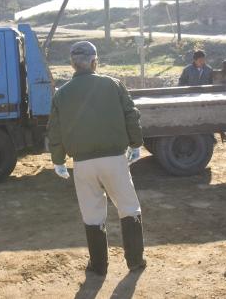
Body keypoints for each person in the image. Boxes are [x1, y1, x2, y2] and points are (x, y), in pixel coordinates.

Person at [47, 41, 146, 276]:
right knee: (129, 208)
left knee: (92, 213)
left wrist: (58, 160)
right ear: (94, 61)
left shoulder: (61, 94)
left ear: (72, 64)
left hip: (82, 163)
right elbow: (131, 115)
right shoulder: (113, 84)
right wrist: (136, 144)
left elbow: (55, 131)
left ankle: (99, 266)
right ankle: (135, 261)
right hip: (115, 160)